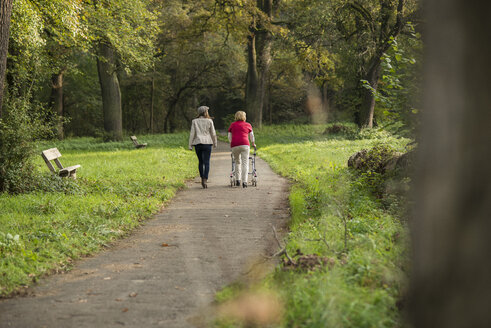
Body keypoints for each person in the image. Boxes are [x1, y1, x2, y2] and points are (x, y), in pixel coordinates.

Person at [188, 106, 217, 188]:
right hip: (207, 143)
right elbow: (213, 133)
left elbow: (192, 134)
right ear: (205, 112)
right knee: (207, 162)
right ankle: (205, 179)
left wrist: (190, 145)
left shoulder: (194, 121)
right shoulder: (209, 121)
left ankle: (201, 178)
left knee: (200, 162)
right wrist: (215, 143)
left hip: (198, 143)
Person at [227, 111, 255, 188]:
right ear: (244, 117)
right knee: (245, 163)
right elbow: (251, 136)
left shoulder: (232, 125)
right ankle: (245, 182)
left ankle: (238, 180)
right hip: (245, 144)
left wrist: (231, 142)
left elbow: (229, 136)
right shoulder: (248, 125)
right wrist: (253, 143)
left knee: (237, 162)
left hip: (235, 145)